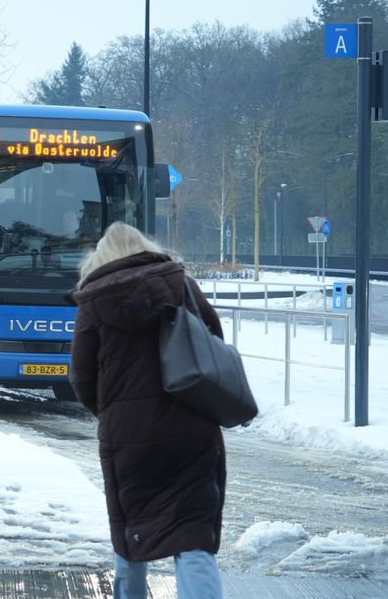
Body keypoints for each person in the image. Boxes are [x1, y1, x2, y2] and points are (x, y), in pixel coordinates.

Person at [69, 222, 226, 599]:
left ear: (100, 258)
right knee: (192, 534)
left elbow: (81, 378)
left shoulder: (94, 301)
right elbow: (214, 344)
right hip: (192, 428)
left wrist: (114, 415)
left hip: (130, 440)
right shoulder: (182, 284)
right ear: (146, 247)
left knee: (131, 532)